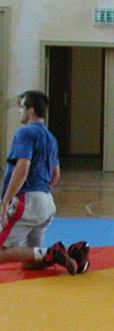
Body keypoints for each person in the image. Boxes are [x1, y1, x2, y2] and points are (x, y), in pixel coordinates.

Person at [0, 90, 90, 275]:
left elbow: (22, 167)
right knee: (30, 262)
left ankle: (50, 252)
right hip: (47, 203)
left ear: (31, 110)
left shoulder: (25, 133)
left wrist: (6, 200)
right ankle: (73, 252)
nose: (20, 112)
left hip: (28, 201)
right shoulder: (51, 139)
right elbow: (56, 174)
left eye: (22, 107)